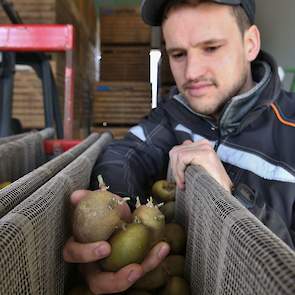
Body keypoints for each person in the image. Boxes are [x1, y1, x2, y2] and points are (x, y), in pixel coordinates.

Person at [63, 0, 295, 293]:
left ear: (250, 43)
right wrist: (114, 215)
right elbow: (125, 152)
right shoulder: (171, 115)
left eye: (211, 48)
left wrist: (233, 198)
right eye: (178, 54)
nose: (192, 71)